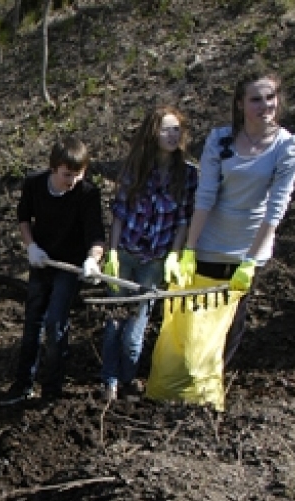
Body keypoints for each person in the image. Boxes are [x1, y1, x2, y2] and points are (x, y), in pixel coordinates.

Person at [179, 69, 295, 365]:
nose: (265, 106)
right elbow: (205, 194)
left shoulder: (287, 146)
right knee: (199, 317)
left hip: (249, 245)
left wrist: (250, 259)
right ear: (240, 104)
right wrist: (189, 247)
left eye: (270, 97)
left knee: (232, 320)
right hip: (211, 240)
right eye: (256, 99)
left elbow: (277, 205)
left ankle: (214, 386)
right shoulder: (221, 140)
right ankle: (189, 379)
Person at [100, 106, 199, 401]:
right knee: (114, 321)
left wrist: (175, 254)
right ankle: (110, 380)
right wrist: (112, 252)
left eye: (176, 130)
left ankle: (129, 379)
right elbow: (120, 213)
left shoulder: (188, 175)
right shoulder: (136, 168)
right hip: (127, 253)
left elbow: (184, 218)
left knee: (135, 329)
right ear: (152, 133)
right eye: (166, 129)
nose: (172, 135)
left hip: (155, 261)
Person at [1, 137, 105, 404]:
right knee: (33, 321)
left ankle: (51, 389)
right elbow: (24, 217)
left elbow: (96, 236)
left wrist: (93, 260)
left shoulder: (87, 194)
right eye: (67, 175)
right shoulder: (35, 183)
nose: (72, 181)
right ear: (54, 169)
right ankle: (23, 385)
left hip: (69, 266)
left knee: (56, 323)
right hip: (42, 260)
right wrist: (31, 247)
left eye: (78, 175)